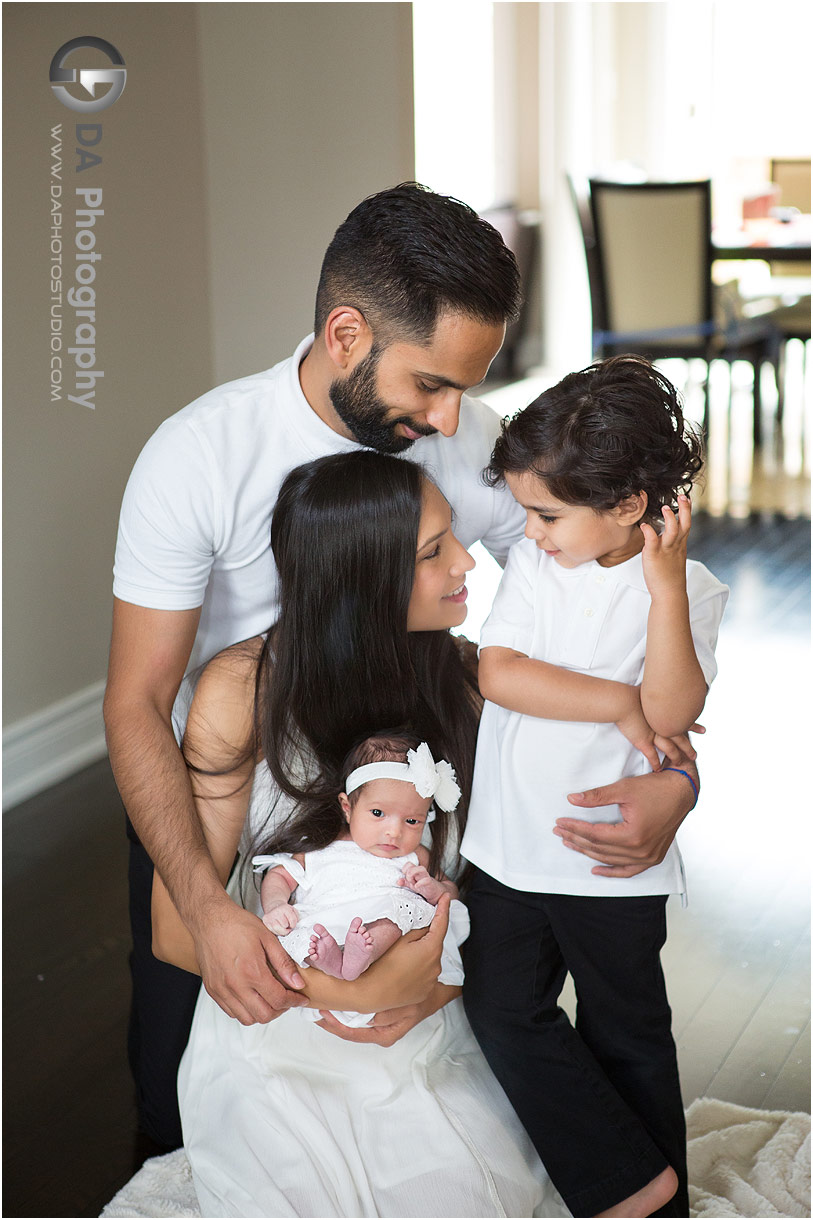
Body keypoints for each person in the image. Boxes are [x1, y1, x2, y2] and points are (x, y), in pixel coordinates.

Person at [105, 182, 701, 1152]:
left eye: (469, 383)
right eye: (430, 382)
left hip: (398, 781)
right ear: (347, 334)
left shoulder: (464, 444)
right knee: (175, 1090)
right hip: (220, 778)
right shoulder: (198, 458)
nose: (452, 414)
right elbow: (133, 700)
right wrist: (210, 910)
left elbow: (620, 599)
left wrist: (675, 774)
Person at [152, 452, 568, 1217]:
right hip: (277, 1013)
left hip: (437, 1002)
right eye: (432, 551)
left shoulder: (474, 677)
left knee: (461, 1192)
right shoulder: (239, 690)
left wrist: (434, 985)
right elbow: (176, 934)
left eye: (453, 539)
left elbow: (523, 888)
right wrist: (348, 988)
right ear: (357, 577)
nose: (467, 562)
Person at [460, 355, 729, 1217]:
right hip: (505, 849)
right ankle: (624, 1177)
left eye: (544, 513)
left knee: (628, 1032)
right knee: (500, 1009)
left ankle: (660, 1201)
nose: (527, 532)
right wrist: (617, 704)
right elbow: (497, 672)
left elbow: (675, 704)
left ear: (624, 507)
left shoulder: (687, 590)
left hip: (611, 862)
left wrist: (660, 592)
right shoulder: (540, 568)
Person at [253, 733, 467, 1025]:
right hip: (325, 919)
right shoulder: (320, 847)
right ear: (347, 807)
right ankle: (327, 959)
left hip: (381, 948)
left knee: (394, 916)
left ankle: (356, 958)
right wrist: (276, 904)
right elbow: (280, 877)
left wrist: (434, 888)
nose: (394, 832)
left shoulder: (416, 856)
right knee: (306, 934)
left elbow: (450, 894)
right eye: (378, 813)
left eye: (412, 821)